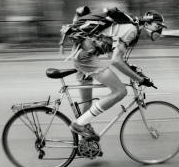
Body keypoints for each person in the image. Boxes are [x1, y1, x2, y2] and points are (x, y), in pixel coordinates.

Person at [68, 8, 167, 141]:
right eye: (158, 25)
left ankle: (83, 144)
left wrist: (133, 71)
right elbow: (115, 60)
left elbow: (111, 53)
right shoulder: (132, 29)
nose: (159, 30)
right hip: (85, 57)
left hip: (80, 53)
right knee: (120, 91)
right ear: (147, 24)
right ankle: (78, 125)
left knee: (87, 103)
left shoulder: (130, 27)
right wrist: (139, 79)